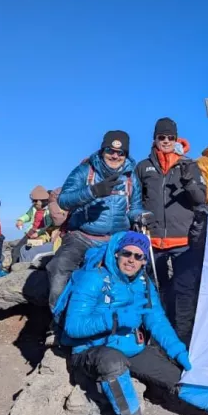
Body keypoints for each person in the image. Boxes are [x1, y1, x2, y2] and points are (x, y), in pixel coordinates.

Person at [58, 231, 208, 415]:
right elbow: (74, 326)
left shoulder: (143, 284)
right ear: (116, 254)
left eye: (138, 256)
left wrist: (178, 352)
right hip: (92, 351)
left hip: (131, 348)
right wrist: (114, 319)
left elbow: (157, 321)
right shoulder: (93, 279)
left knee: (177, 377)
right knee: (113, 361)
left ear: (143, 262)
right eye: (126, 254)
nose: (131, 260)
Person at [46, 130, 146, 310]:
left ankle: (118, 325)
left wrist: (140, 216)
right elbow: (64, 200)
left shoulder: (131, 177)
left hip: (117, 239)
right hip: (82, 236)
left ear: (126, 155)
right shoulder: (85, 171)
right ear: (102, 150)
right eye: (110, 150)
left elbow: (134, 208)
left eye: (120, 152)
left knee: (128, 277)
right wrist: (93, 192)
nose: (115, 155)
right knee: (59, 267)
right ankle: (58, 321)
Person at [135, 117, 206, 346]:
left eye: (170, 137)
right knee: (157, 292)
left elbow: (200, 199)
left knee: (184, 293)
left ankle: (183, 340)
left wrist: (188, 182)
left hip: (183, 241)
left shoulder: (189, 164)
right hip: (152, 241)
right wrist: (136, 216)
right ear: (154, 139)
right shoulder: (143, 166)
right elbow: (135, 199)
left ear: (177, 139)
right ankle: (157, 340)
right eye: (161, 137)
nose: (166, 141)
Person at [12, 185, 54, 265]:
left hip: (42, 235)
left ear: (43, 201)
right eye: (33, 201)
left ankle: (24, 268)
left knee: (28, 250)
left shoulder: (50, 210)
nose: (33, 203)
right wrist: (21, 220)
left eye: (35, 201)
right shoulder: (34, 208)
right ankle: (14, 268)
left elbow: (49, 225)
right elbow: (28, 215)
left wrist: (38, 233)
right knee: (17, 250)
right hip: (31, 233)